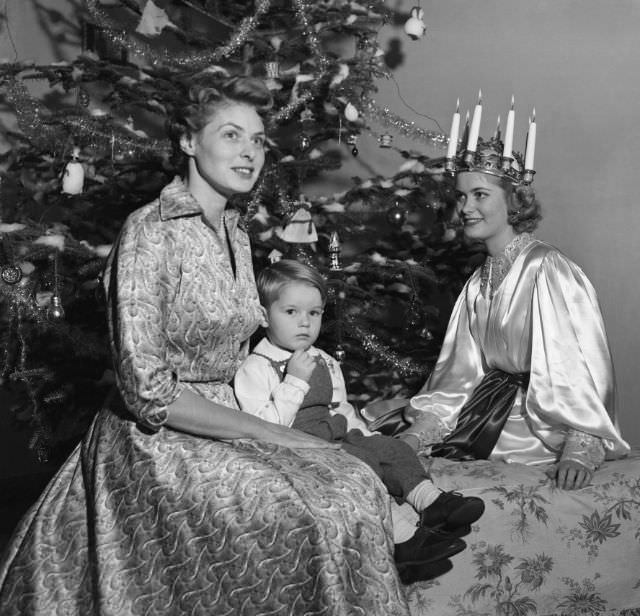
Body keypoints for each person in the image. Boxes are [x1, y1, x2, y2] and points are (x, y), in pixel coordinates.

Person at [0, 74, 412, 614]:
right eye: (232, 135)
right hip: (156, 435)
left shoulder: (238, 232)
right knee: (325, 504)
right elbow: (148, 391)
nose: (249, 152)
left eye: (258, 140)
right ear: (190, 142)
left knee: (353, 478)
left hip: (233, 411)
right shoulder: (150, 230)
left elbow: (248, 357)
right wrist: (274, 435)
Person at [234, 258, 486, 583]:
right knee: (361, 464)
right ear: (265, 315)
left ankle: (431, 501)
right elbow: (264, 428)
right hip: (295, 448)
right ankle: (403, 539)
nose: (304, 323)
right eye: (291, 312)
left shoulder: (322, 360)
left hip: (334, 434)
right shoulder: (256, 367)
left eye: (314, 313)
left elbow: (342, 410)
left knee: (388, 448)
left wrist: (368, 438)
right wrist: (294, 381)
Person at [401, 137, 630, 490]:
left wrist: (579, 450)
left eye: (480, 194)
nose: (465, 208)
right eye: (462, 196)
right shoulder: (478, 281)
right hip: (487, 409)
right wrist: (416, 437)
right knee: (384, 426)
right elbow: (457, 374)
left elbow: (580, 369)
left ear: (513, 201)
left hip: (535, 425)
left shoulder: (547, 267)